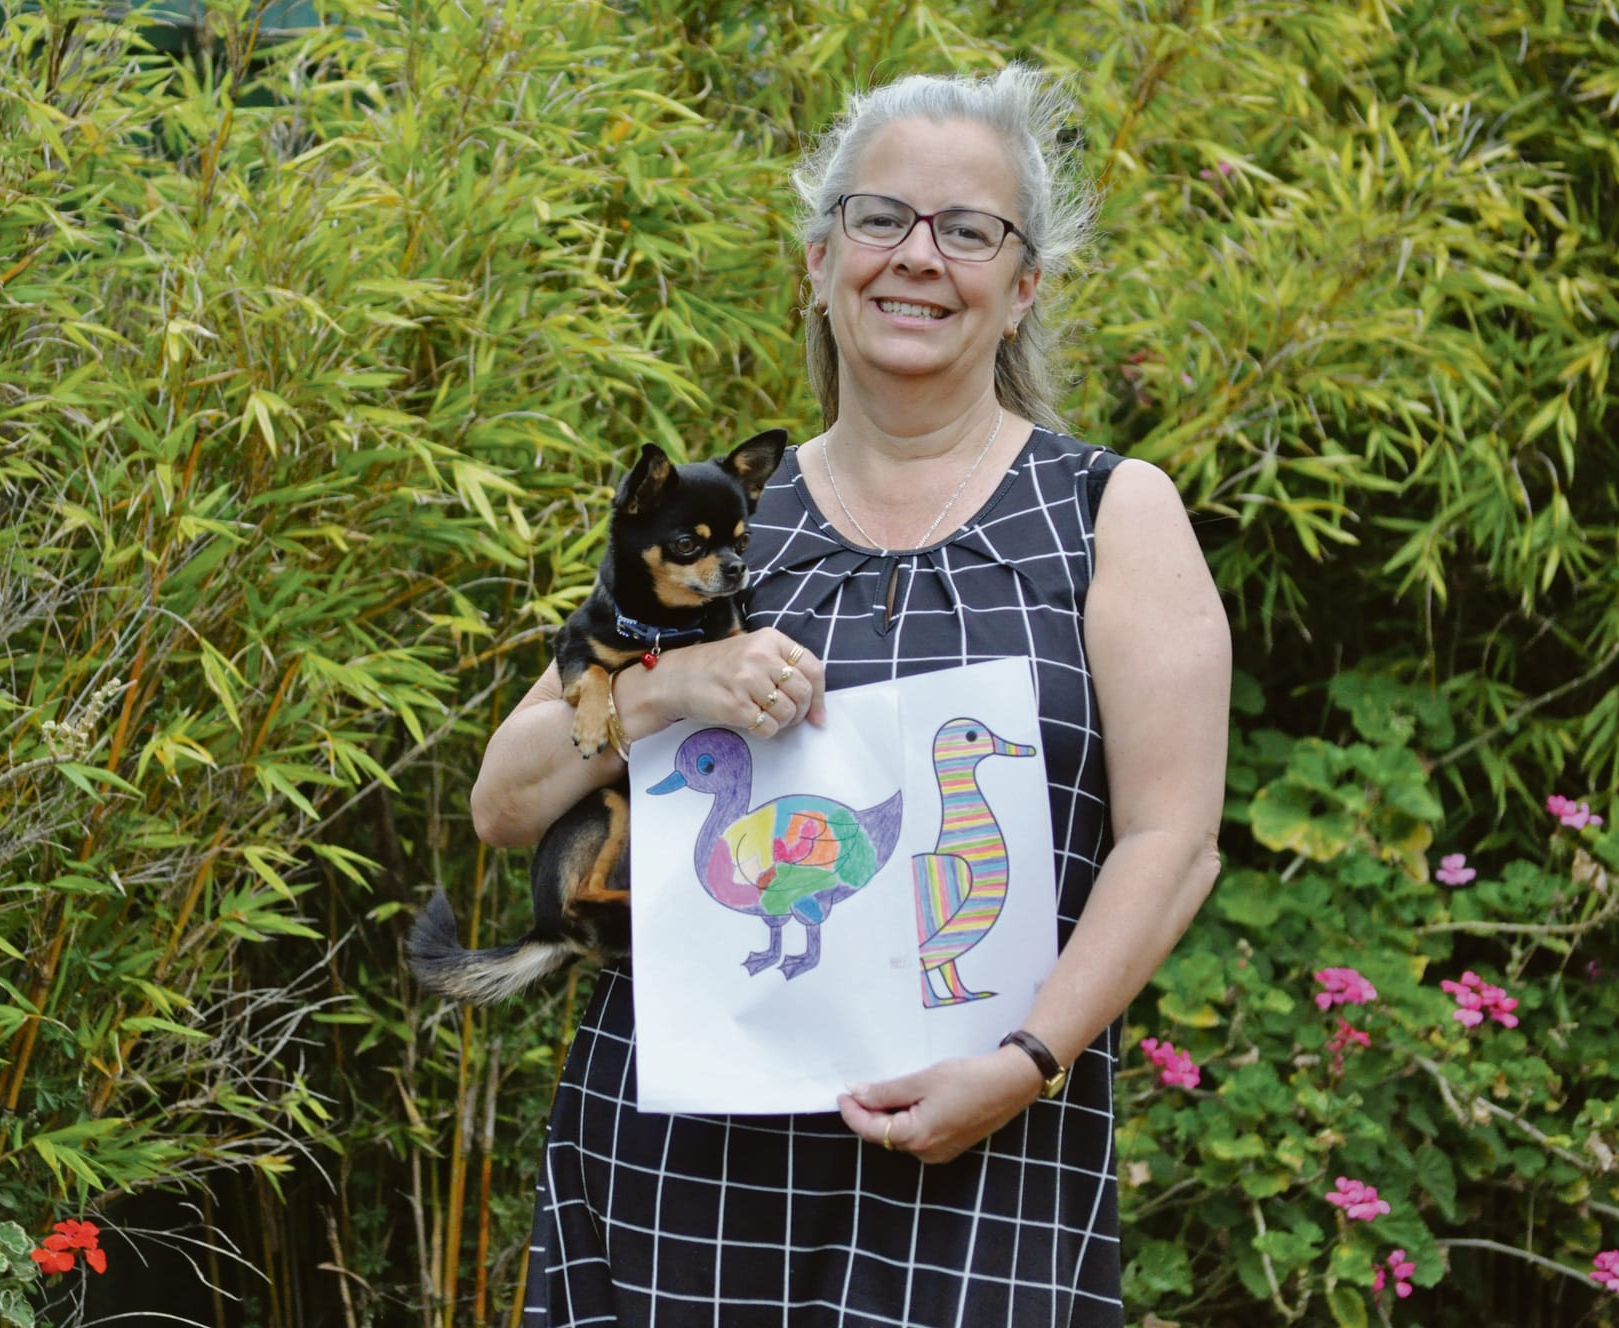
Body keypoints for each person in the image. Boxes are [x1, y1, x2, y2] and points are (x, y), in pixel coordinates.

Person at [470, 64, 1230, 1325]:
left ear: (1022, 284)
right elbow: (506, 797)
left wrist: (1024, 1061)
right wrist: (675, 686)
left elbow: (1173, 838)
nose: (916, 258)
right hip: (683, 1164)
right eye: (878, 219)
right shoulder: (714, 522)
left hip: (987, 1152)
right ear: (818, 263)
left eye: (967, 229)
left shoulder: (1107, 512)